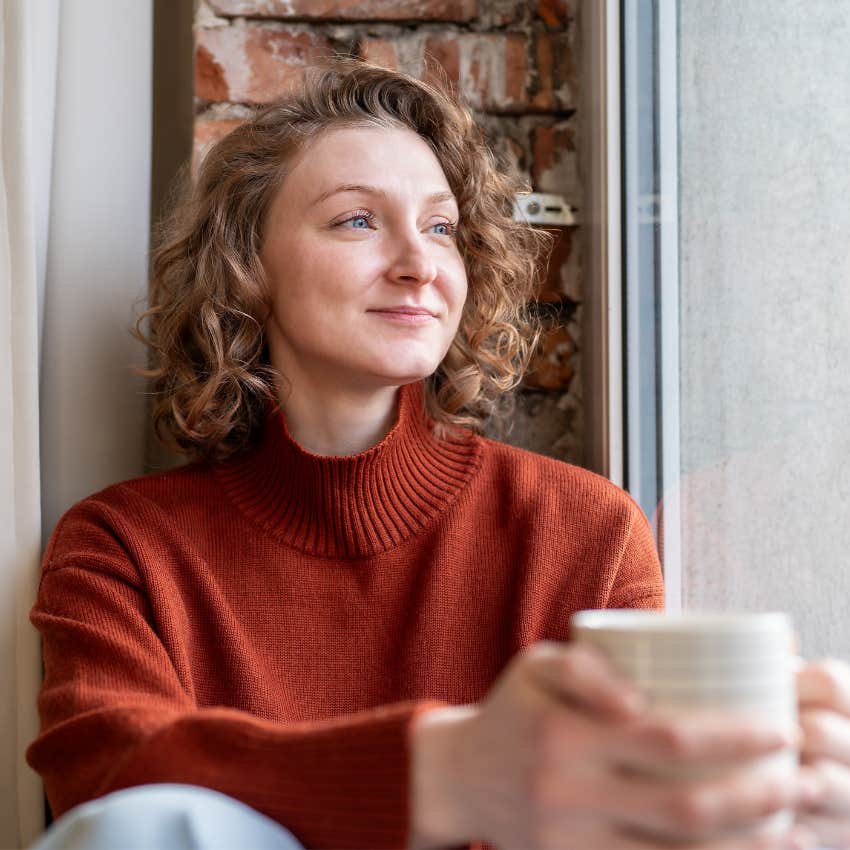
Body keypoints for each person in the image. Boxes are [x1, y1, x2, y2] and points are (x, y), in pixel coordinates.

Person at [25, 57, 850, 850]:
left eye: (441, 227)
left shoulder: (583, 528)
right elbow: (109, 786)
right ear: (248, 270)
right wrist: (450, 769)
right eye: (357, 220)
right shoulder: (122, 547)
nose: (419, 263)